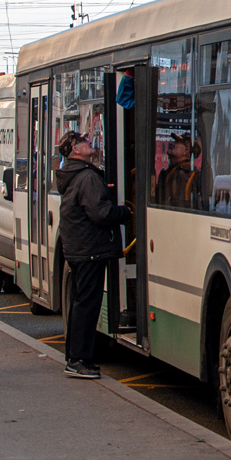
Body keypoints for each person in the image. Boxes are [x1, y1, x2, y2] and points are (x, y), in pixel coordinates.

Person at [55, 130, 131, 379]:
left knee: (81, 304)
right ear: (75, 149)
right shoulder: (87, 177)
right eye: (84, 141)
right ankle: (79, 360)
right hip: (90, 250)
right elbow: (101, 214)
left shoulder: (73, 175)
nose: (89, 143)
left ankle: (74, 357)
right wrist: (125, 212)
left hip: (79, 249)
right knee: (87, 306)